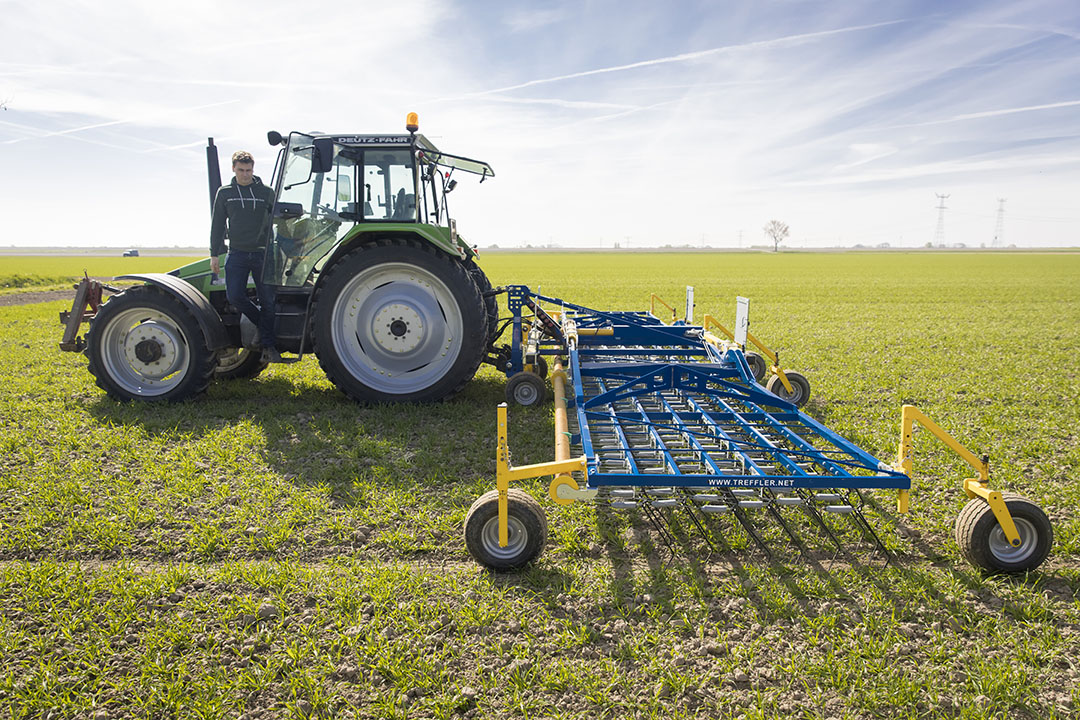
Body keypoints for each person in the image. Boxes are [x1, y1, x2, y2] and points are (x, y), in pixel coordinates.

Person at [209, 150, 282, 362]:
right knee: (235, 296)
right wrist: (214, 254)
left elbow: (279, 220)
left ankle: (268, 347)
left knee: (268, 300)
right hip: (237, 253)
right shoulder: (225, 193)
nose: (245, 174)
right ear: (233, 169)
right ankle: (262, 324)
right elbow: (217, 225)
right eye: (241, 170)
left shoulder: (266, 192)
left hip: (263, 254)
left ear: (253, 168)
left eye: (248, 170)